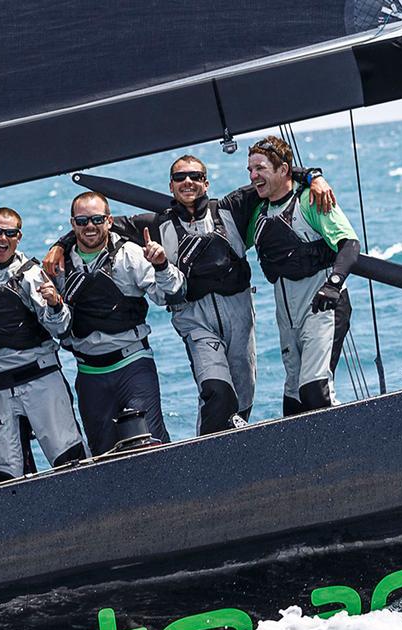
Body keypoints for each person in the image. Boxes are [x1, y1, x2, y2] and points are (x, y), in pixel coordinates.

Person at [44, 158, 335, 434]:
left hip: (239, 314)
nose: (187, 182)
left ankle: (233, 453)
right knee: (217, 392)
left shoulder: (232, 208)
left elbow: (273, 178)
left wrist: (312, 176)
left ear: (206, 183)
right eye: (179, 177)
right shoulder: (155, 224)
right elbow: (94, 227)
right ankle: (205, 460)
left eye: (195, 176)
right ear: (170, 185)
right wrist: (60, 244)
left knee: (242, 399)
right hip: (194, 319)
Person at [0, 206, 87, 482]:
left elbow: (61, 327)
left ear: (18, 237)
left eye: (10, 233)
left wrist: (56, 304)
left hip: (41, 380)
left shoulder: (32, 275)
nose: (2, 239)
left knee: (71, 460)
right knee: (2, 476)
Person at [53, 191, 183, 455]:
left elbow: (169, 294)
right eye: (82, 221)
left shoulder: (130, 254)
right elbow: (54, 326)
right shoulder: (58, 265)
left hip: (133, 367)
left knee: (150, 444)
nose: (90, 226)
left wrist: (161, 266)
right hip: (89, 374)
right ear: (72, 224)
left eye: (97, 219)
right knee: (103, 454)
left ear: (110, 221)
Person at [245, 135, 359, 414]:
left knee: (315, 390)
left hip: (322, 306)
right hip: (287, 316)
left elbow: (349, 243)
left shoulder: (312, 199)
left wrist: (334, 284)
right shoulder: (258, 213)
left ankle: (349, 453)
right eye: (250, 170)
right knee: (293, 400)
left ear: (283, 170)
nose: (253, 176)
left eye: (260, 168)